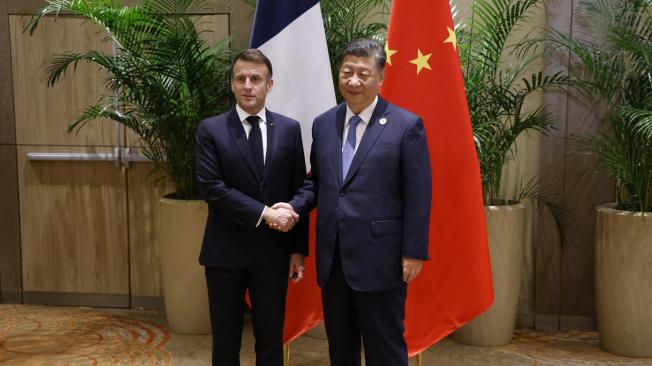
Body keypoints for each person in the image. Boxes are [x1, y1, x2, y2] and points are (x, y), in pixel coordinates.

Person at [273, 39, 432, 366]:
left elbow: (418, 193)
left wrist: (413, 251)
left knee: (384, 348)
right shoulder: (324, 123)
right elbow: (317, 183)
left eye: (363, 73)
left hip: (382, 260)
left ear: (380, 77)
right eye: (347, 72)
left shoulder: (405, 125)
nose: (354, 81)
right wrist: (293, 206)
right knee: (340, 347)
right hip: (334, 261)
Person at [195, 49, 308, 366]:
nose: (248, 85)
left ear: (269, 85)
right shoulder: (211, 129)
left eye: (255, 79)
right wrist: (266, 214)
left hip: (272, 254)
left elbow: (298, 187)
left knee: (270, 343)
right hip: (225, 255)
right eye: (240, 78)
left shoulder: (288, 129)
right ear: (231, 84)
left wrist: (297, 249)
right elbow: (213, 189)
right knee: (225, 344)